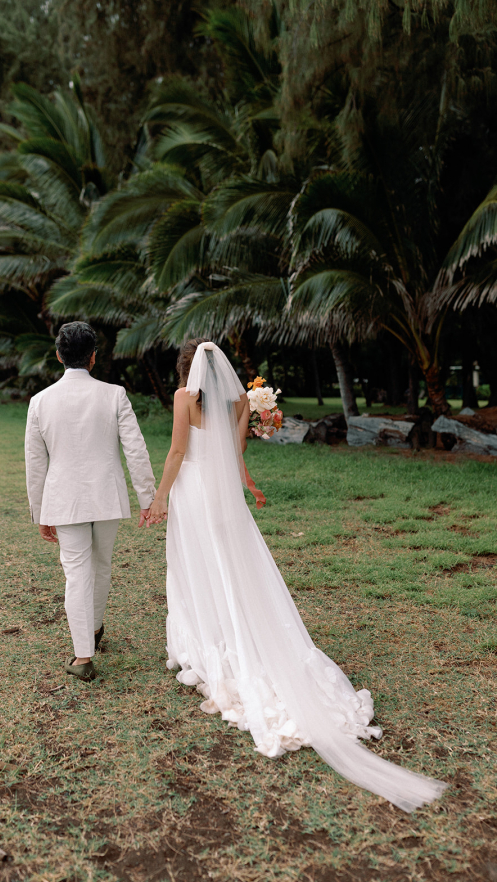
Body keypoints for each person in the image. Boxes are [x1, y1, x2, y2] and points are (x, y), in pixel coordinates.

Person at [147, 339, 447, 813]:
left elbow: (177, 453)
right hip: (224, 501)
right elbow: (235, 448)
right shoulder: (235, 402)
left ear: (187, 372)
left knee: (199, 568)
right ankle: (230, 635)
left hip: (193, 496)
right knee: (233, 569)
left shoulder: (185, 399)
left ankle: (207, 643)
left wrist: (160, 497)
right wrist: (247, 467)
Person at [25, 321, 156, 681]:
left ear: (58, 356)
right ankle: (93, 630)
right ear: (94, 357)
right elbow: (135, 449)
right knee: (102, 564)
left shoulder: (40, 402)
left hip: (64, 500)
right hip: (107, 495)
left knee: (77, 572)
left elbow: (35, 464)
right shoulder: (115, 394)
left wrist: (40, 510)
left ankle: (84, 654)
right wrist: (147, 496)